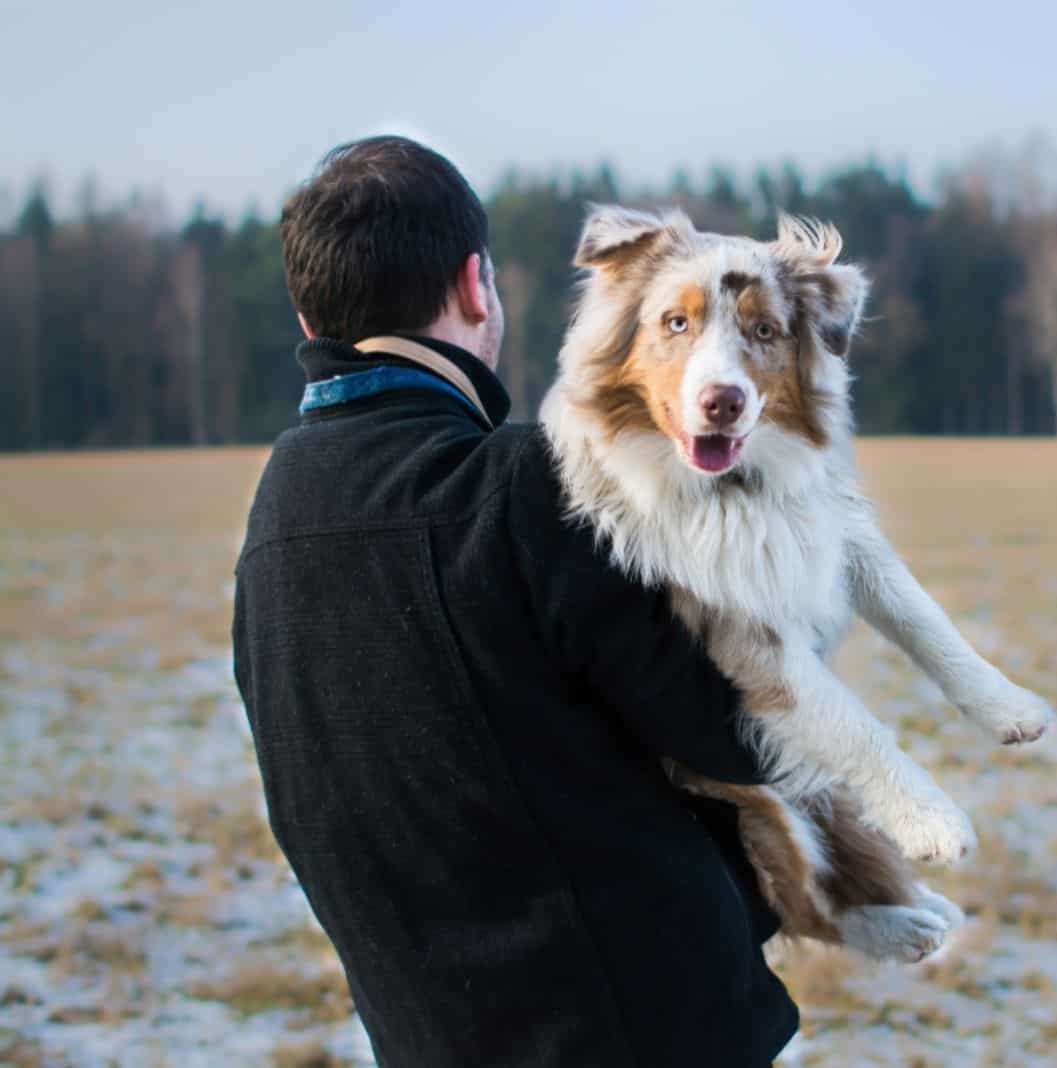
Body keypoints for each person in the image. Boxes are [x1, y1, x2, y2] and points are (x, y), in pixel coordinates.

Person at [232, 135, 798, 1067]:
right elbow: (746, 731)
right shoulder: (521, 488)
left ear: (306, 317)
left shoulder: (273, 527)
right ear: (475, 286)